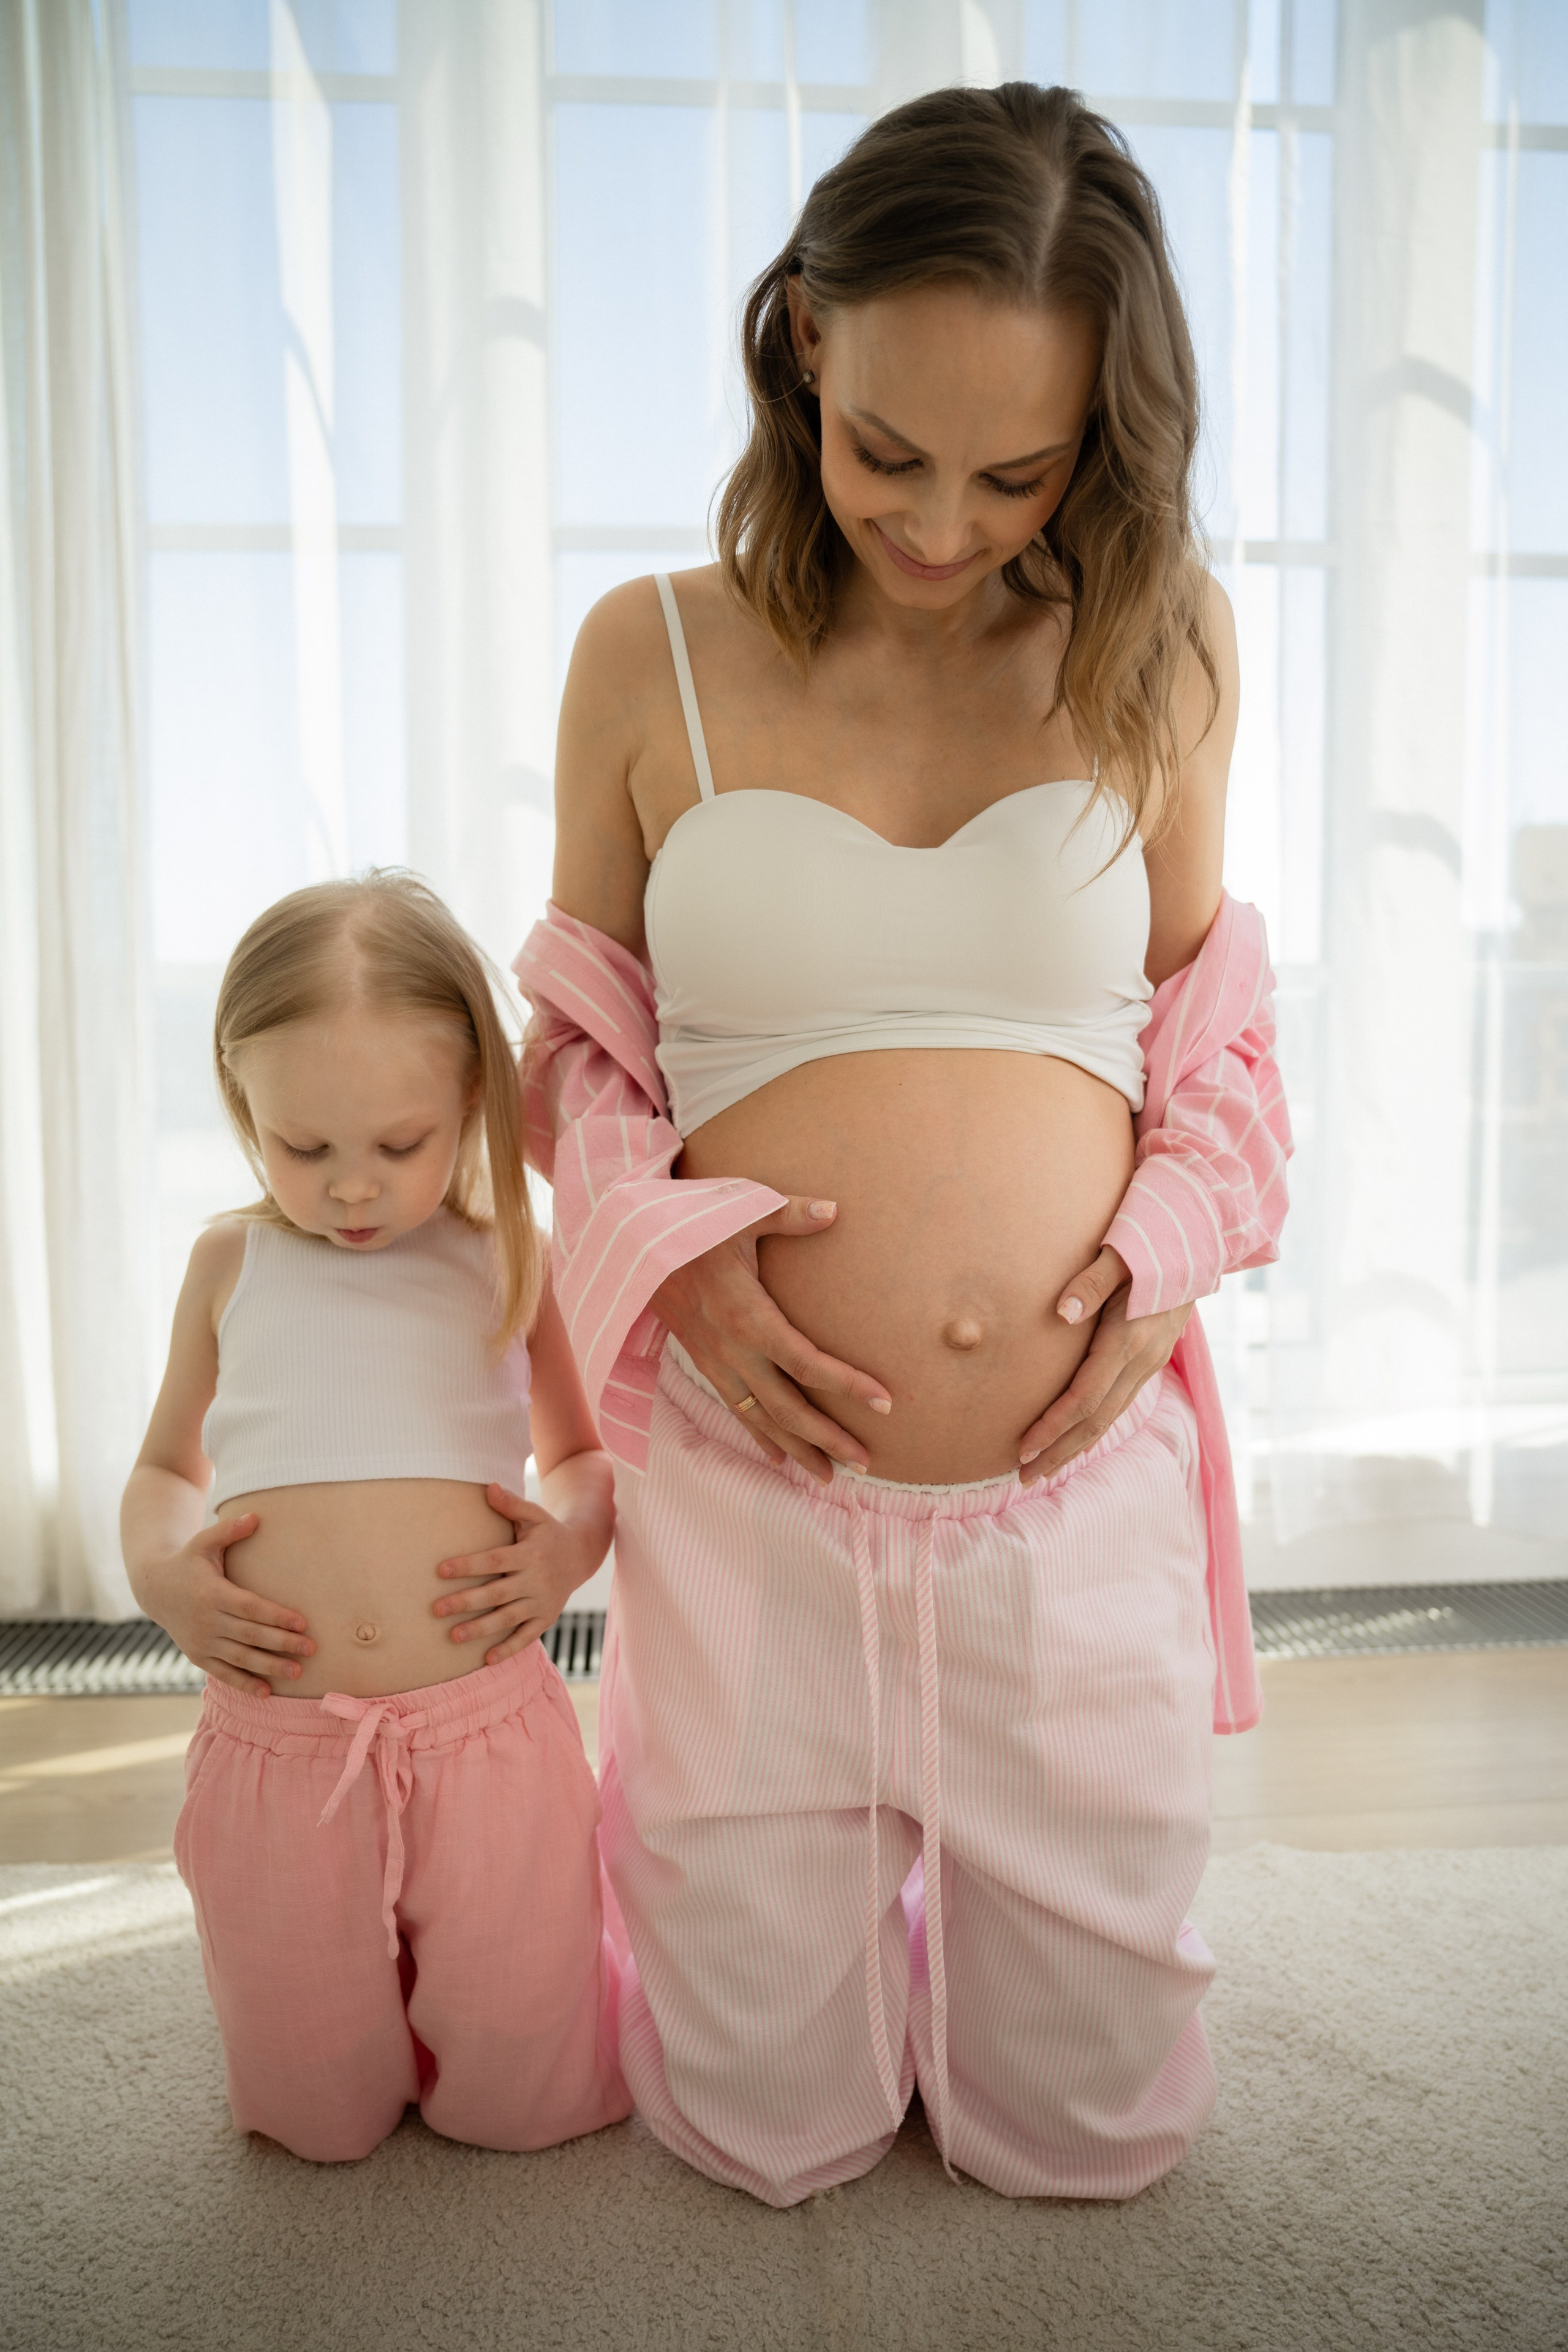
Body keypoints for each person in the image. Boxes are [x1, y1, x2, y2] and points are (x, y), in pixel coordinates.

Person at [516, 82, 1291, 2206]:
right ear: (800, 348)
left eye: (1016, 470)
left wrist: (1158, 1261)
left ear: (1103, 444)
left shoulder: (1165, 647)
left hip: (1068, 1493)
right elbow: (579, 1064)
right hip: (755, 1501)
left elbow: (1224, 1063)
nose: (942, 526)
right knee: (758, 2128)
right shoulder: (645, 654)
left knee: (1089, 2143)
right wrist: (669, 1260)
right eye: (888, 452)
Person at [123, 872, 630, 2163]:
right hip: (280, 1750)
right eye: (304, 1150)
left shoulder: (505, 1256)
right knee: (313, 2122)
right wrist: (165, 1575)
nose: (350, 1191)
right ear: (244, 1107)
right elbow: (164, 1472)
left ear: (468, 1103)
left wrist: (566, 1547)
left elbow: (581, 1458)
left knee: (525, 2103)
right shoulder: (230, 1263)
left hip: (486, 1740)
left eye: (397, 1147)